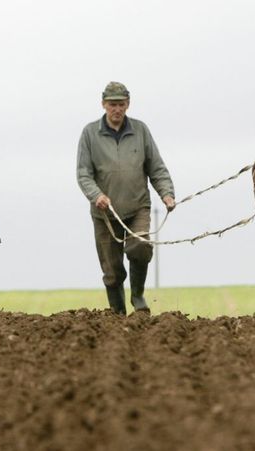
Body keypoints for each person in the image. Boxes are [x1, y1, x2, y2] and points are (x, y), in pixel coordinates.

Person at [77, 82, 176, 315]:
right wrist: (96, 195)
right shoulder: (90, 133)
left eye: (121, 104)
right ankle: (118, 314)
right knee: (112, 270)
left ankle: (138, 297)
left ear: (128, 105)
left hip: (137, 206)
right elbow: (83, 173)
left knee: (140, 246)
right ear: (103, 104)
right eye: (112, 104)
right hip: (105, 212)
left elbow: (157, 167)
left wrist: (167, 193)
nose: (117, 109)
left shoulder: (140, 131)